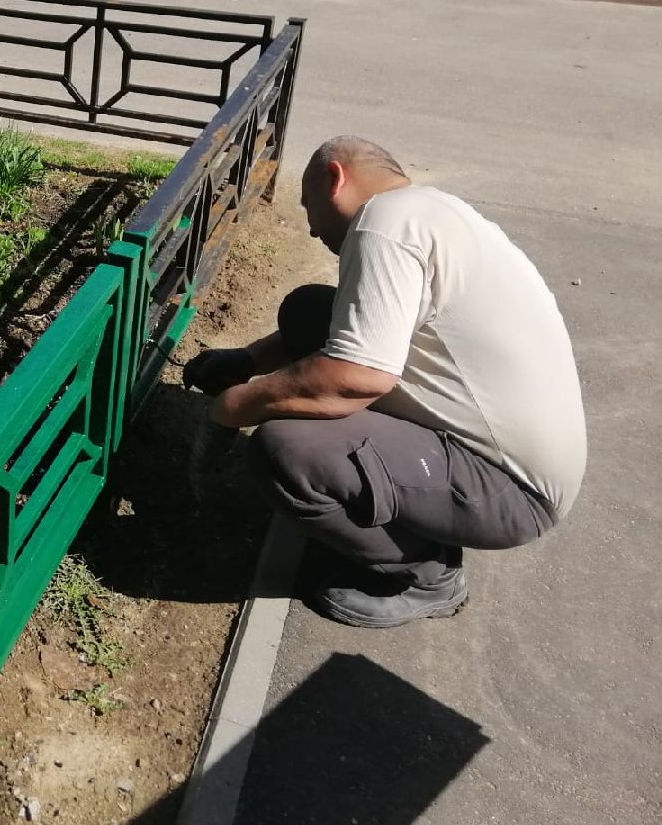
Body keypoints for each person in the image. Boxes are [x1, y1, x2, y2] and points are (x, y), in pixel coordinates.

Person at [184, 136, 586, 628]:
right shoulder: (429, 211)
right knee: (312, 307)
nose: (311, 229)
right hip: (509, 459)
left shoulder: (384, 225)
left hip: (512, 491)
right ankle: (407, 505)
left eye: (309, 206)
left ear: (335, 178)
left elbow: (356, 379)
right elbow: (347, 331)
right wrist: (248, 360)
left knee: (288, 450)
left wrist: (233, 406)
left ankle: (429, 573)